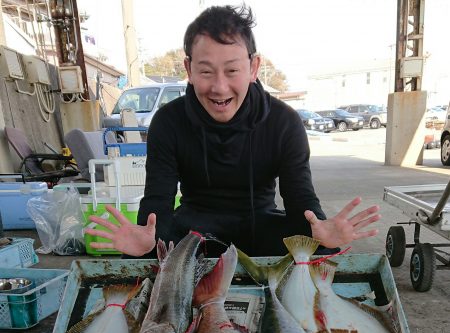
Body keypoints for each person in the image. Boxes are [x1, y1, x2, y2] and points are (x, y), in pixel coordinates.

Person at [86, 4, 380, 257]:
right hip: (193, 228)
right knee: (151, 249)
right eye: (205, 71)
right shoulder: (168, 122)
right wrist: (148, 238)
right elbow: (157, 201)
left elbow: (300, 199)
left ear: (253, 67)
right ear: (189, 70)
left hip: (261, 223)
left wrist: (320, 229)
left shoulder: (284, 122)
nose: (219, 87)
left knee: (316, 246)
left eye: (231, 70)